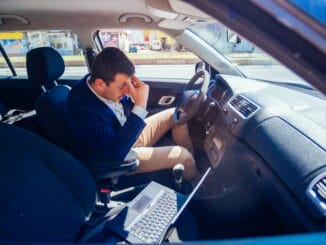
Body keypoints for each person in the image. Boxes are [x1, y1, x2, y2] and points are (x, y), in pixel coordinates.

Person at [65, 47, 197, 180]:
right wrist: (140, 105)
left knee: (176, 115)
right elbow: (116, 153)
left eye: (129, 83)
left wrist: (133, 98)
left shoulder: (98, 82)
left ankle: (191, 165)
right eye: (122, 86)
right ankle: (196, 187)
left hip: (129, 133)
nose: (127, 91)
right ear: (100, 84)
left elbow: (124, 112)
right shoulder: (82, 111)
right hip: (121, 155)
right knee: (183, 156)